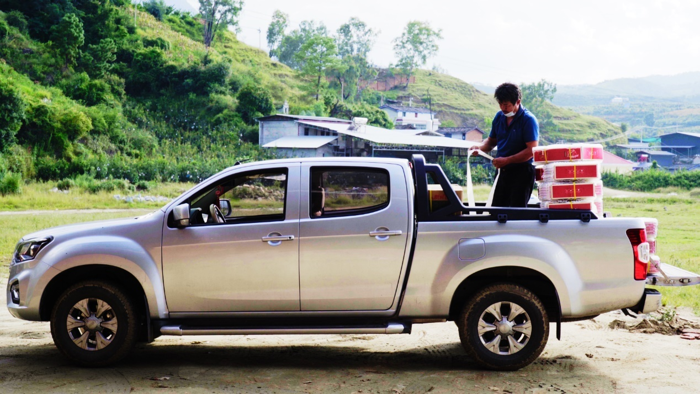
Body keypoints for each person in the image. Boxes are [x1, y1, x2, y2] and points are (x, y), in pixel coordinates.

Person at [470, 82, 539, 207]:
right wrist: (479, 148)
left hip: (522, 172)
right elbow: (491, 142)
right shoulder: (499, 117)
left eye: (506, 105)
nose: (502, 108)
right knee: (497, 210)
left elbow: (531, 151)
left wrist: (508, 160)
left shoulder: (528, 120)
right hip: (503, 171)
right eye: (500, 104)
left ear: (517, 102)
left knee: (515, 213)